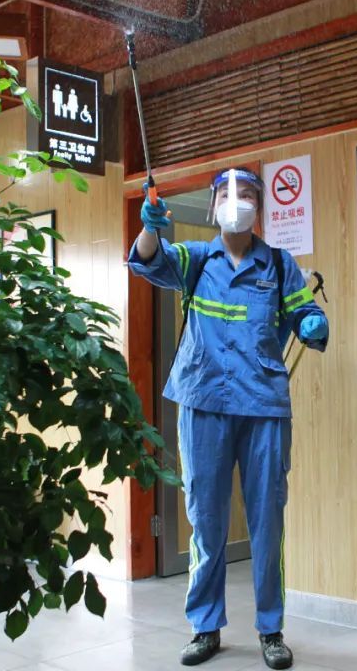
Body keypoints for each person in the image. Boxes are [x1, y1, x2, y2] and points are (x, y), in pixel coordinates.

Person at [127, 168, 329, 669]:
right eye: (225, 193)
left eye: (247, 194)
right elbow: (147, 261)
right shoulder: (197, 259)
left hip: (263, 406)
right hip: (203, 402)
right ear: (213, 204)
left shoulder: (279, 265)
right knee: (207, 521)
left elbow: (305, 312)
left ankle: (271, 630)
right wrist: (150, 226)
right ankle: (205, 627)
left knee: (267, 522)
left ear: (260, 207)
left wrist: (312, 322)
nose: (236, 201)